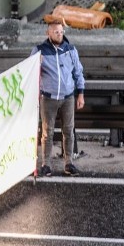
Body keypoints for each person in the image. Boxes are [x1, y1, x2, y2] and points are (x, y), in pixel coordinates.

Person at [30, 16, 85, 176]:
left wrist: (80, 93)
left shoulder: (70, 50)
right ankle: (46, 164)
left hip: (68, 97)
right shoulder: (40, 50)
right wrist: (37, 62)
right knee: (47, 132)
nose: (59, 34)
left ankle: (69, 163)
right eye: (56, 32)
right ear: (48, 33)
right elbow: (31, 72)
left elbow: (78, 72)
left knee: (69, 130)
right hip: (48, 98)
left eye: (61, 32)